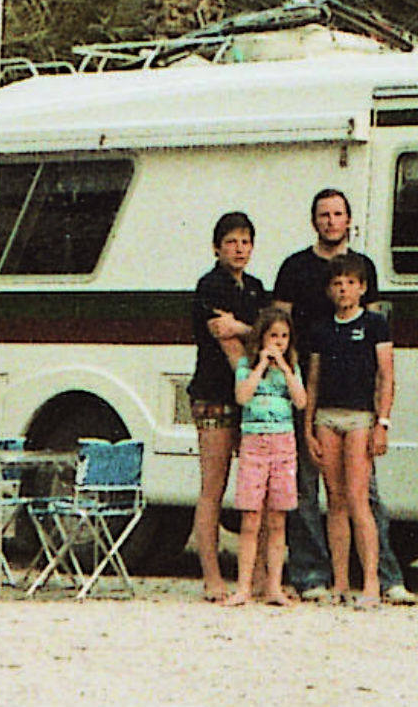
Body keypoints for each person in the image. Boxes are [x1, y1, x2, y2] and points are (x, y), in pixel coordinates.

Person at [273, 188, 415, 604]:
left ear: (349, 220)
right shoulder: (295, 268)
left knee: (364, 494)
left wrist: (381, 417)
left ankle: (384, 578)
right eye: (324, 214)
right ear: (313, 220)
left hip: (356, 405)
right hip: (306, 388)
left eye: (338, 214)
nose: (331, 221)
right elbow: (278, 323)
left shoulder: (363, 266)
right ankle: (314, 576)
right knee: (307, 490)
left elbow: (381, 353)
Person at [303, 254, 395, 609]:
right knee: (335, 500)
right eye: (337, 284)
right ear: (330, 290)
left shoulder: (375, 325)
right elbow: (313, 380)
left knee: (359, 498)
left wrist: (382, 423)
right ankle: (340, 582)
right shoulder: (321, 329)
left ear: (362, 288)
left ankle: (371, 581)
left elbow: (386, 376)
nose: (344, 290)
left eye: (350, 283)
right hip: (326, 418)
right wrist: (309, 427)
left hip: (360, 418)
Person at [187, 211, 268, 602]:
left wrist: (244, 327)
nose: (239, 249)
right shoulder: (210, 286)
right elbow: (229, 343)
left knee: (258, 488)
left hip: (251, 397)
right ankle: (212, 577)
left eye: (245, 241)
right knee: (214, 487)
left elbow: (272, 336)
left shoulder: (256, 289)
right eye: (232, 241)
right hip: (216, 395)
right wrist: (247, 337)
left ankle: (262, 576)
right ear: (216, 247)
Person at [224, 307, 306, 607]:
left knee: (277, 518)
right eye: (273, 336)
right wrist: (260, 366)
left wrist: (285, 369)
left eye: (284, 336)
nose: (279, 341)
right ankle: (244, 587)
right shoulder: (246, 366)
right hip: (254, 443)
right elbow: (242, 396)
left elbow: (301, 401)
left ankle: (274, 587)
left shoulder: (291, 368)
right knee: (250, 517)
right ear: (262, 337)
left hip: (283, 444)